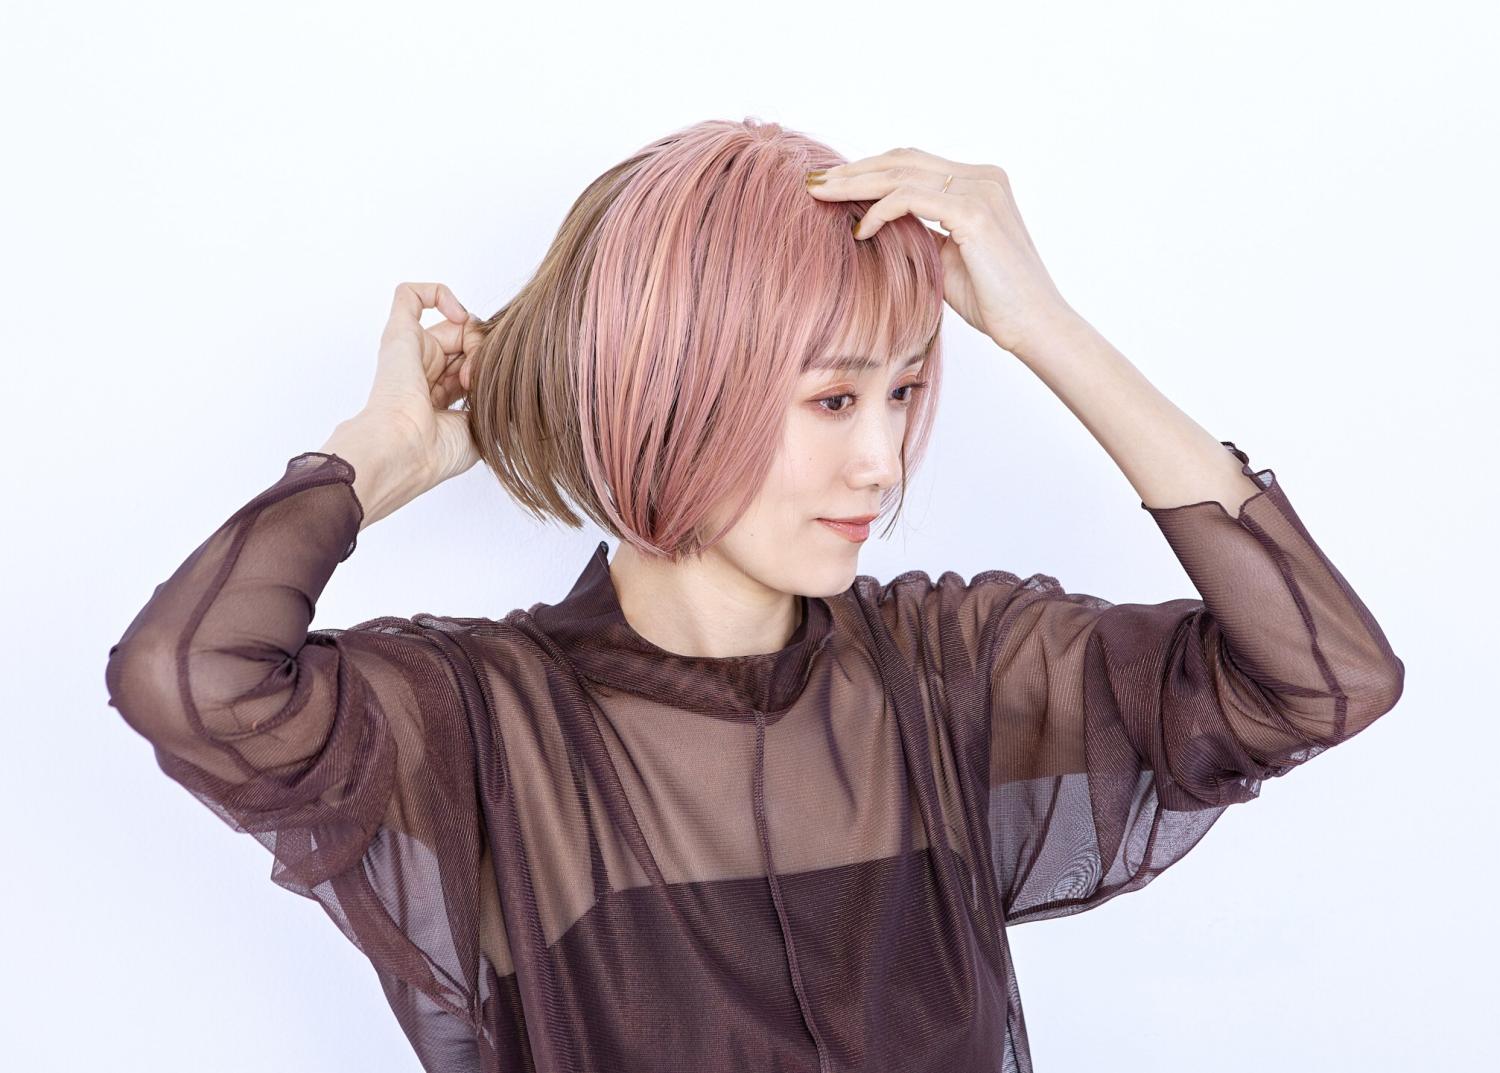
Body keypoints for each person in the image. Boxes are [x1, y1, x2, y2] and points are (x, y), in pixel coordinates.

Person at [103, 118, 1404, 1073]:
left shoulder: (951, 670)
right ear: (673, 391)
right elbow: (186, 679)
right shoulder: (486, 726)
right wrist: (375, 458)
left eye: (903, 389)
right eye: (833, 399)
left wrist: (1042, 325)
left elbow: (1326, 678)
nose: (882, 459)